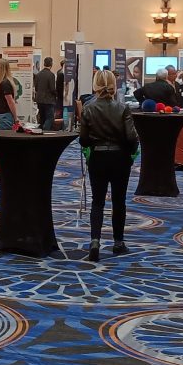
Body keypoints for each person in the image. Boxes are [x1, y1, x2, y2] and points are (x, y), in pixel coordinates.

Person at [79, 69, 138, 262]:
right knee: (119, 201)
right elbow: (132, 138)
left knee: (97, 202)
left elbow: (83, 140)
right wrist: (129, 155)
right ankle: (118, 243)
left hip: (98, 157)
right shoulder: (123, 108)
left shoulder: (87, 108)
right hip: (120, 158)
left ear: (95, 84)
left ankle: (95, 241)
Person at [0, 58, 18, 130]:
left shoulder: (5, 83)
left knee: (5, 139)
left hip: (4, 116)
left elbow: (10, 101)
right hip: (3, 115)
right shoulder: (3, 82)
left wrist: (16, 118)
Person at [34, 57, 57, 130]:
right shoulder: (51, 75)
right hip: (49, 100)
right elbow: (52, 89)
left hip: (39, 100)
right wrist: (56, 95)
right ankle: (45, 132)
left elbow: (36, 87)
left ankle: (40, 132)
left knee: (42, 118)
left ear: (44, 63)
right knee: (50, 118)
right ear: (51, 64)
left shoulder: (38, 74)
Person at [55, 60, 65, 126]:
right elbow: (59, 86)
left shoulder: (59, 72)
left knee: (60, 111)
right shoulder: (61, 73)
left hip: (60, 95)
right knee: (60, 111)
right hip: (62, 96)